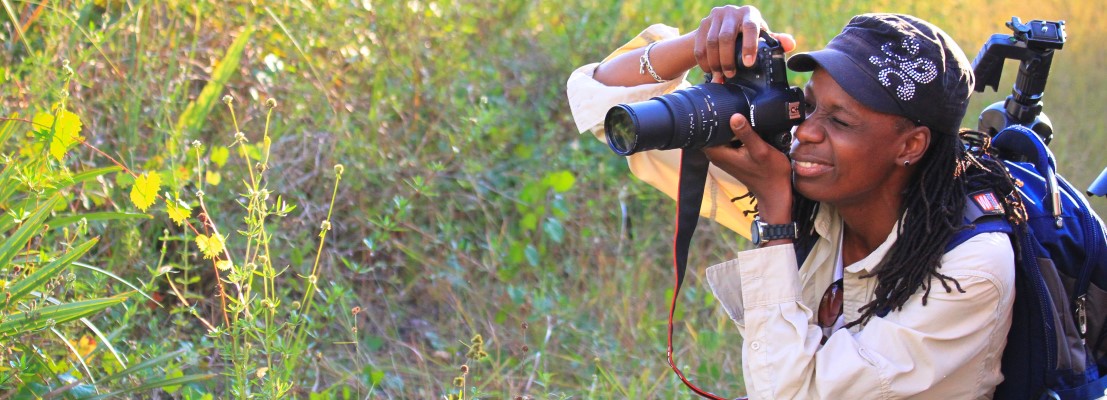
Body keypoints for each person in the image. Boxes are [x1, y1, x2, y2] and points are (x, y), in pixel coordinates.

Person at [566, 5, 1027, 399]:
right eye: (808, 106)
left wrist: (775, 220)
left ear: (910, 145)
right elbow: (602, 103)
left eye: (841, 121)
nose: (805, 131)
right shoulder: (815, 184)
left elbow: (789, 393)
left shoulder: (971, 270)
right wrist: (699, 44)